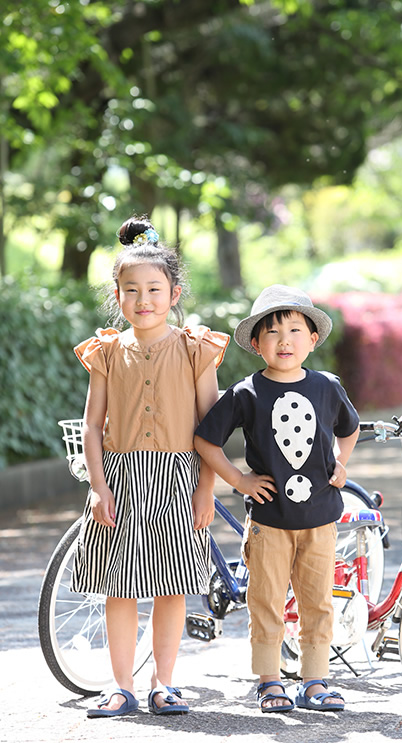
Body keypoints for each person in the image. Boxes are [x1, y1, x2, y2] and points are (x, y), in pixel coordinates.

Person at [71, 215, 229, 718]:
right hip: (118, 480)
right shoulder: (106, 352)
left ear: (174, 293)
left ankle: (165, 683)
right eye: (132, 290)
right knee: (118, 587)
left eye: (155, 289)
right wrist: (98, 487)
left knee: (171, 587)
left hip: (180, 481)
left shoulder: (195, 349)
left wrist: (206, 489)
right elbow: (92, 426)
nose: (144, 300)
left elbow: (211, 428)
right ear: (117, 296)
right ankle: (122, 686)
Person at [194, 284, 360, 713]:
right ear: (256, 343)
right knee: (265, 602)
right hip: (268, 523)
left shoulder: (327, 386)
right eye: (272, 332)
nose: (284, 341)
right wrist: (239, 479)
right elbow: (206, 440)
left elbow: (349, 428)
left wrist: (341, 464)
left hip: (320, 519)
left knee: (317, 603)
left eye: (294, 331)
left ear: (313, 339)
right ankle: (269, 681)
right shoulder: (246, 392)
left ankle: (315, 680)